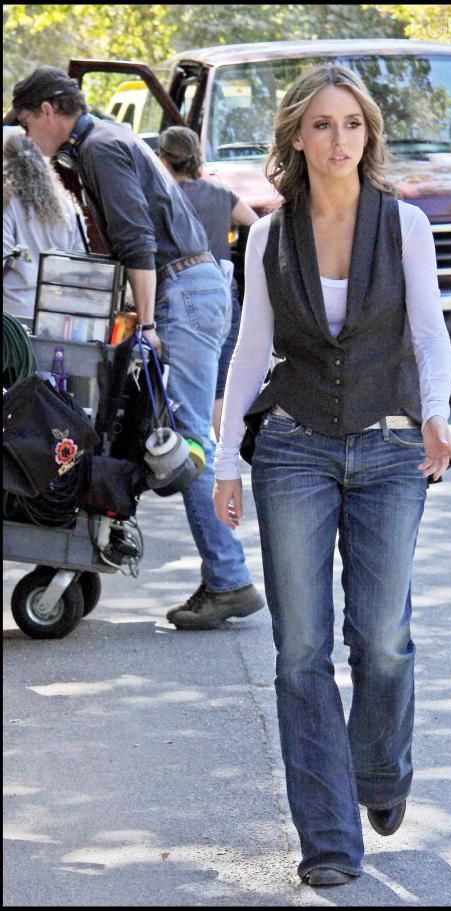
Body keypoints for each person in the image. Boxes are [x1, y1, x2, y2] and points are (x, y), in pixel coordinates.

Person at [213, 65, 451, 887]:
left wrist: (436, 413)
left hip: (392, 448)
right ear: (295, 137)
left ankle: (381, 771)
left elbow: (429, 335)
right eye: (321, 125)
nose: (338, 140)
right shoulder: (269, 238)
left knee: (382, 638)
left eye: (351, 124)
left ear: (368, 134)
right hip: (294, 447)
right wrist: (223, 463)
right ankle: (328, 838)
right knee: (301, 651)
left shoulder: (406, 227)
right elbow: (251, 350)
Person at [6, 66, 264, 629]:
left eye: (26, 122)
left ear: (50, 109)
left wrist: (145, 324)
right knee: (180, 433)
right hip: (194, 286)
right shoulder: (104, 143)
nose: (25, 136)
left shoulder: (99, 147)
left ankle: (229, 580)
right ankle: (223, 575)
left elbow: (137, 242)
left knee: (188, 440)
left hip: (182, 291)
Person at [157, 125, 258, 438]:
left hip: (183, 298)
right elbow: (257, 224)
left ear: (163, 159)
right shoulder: (220, 193)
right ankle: (228, 460)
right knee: (220, 386)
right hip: (225, 295)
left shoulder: (161, 199)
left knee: (189, 387)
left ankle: (198, 454)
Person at [3, 130, 86, 325]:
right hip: (56, 315)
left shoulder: (8, 204)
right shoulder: (68, 205)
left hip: (13, 315)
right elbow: (80, 262)